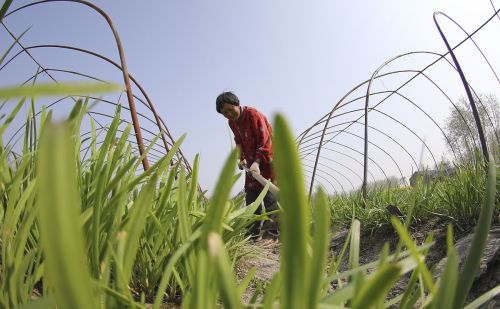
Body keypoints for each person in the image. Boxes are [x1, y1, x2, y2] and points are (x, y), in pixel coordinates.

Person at [215, 91, 279, 238]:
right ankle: (252, 235)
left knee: (268, 196)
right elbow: (239, 141)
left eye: (230, 109)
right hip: (251, 164)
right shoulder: (232, 122)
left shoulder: (253, 114)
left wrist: (257, 162)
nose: (229, 114)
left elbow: (266, 141)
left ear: (237, 104)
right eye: (224, 113)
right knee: (251, 198)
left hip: (267, 161)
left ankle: (272, 235)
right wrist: (241, 158)